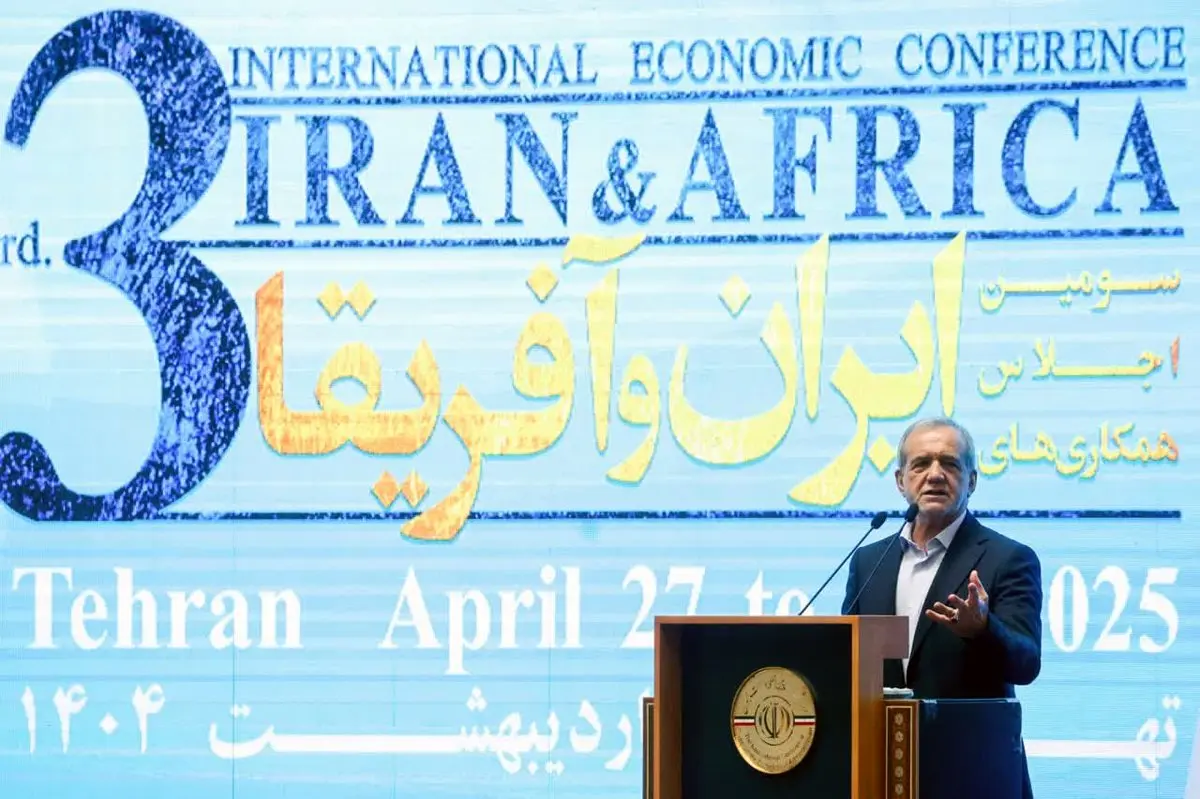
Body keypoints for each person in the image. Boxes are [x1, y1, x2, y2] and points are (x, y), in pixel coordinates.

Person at [841, 416, 1043, 798]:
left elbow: (1027, 662)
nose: (935, 475)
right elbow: (847, 660)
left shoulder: (1008, 558)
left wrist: (983, 629)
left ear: (972, 481)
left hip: (973, 773)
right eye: (921, 464)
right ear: (901, 481)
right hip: (883, 770)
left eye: (949, 464)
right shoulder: (868, 562)